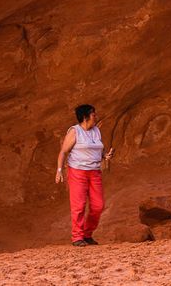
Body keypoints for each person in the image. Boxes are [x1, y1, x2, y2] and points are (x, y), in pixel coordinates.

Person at [55, 104, 114, 247]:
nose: (96, 117)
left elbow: (99, 149)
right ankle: (77, 237)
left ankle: (87, 234)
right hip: (77, 171)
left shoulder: (96, 131)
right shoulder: (75, 131)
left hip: (94, 172)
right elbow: (63, 151)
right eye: (94, 114)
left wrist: (106, 156)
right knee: (79, 205)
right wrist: (59, 171)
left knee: (98, 206)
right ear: (85, 117)